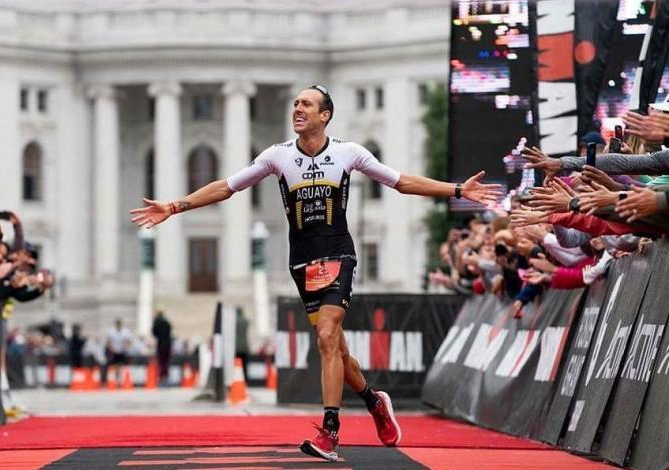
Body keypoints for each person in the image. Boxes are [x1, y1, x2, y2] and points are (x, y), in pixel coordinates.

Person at [130, 85, 500, 462]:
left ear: (325, 115)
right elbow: (227, 187)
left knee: (326, 337)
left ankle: (330, 431)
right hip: (302, 264)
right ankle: (374, 402)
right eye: (295, 104)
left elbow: (400, 182)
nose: (297, 109)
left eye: (306, 104)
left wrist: (457, 190)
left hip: (339, 254)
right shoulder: (278, 156)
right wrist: (175, 206)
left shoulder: (347, 153)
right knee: (336, 350)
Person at [151, 311, 172, 384]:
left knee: (161, 362)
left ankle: (161, 377)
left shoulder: (157, 323)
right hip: (167, 344)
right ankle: (165, 377)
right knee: (166, 362)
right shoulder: (167, 322)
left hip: (160, 344)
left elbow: (154, 332)